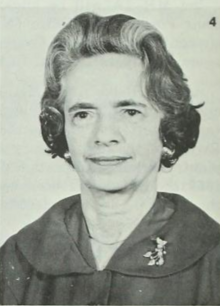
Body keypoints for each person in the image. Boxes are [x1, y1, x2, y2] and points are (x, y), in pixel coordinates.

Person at [0, 12, 220, 305]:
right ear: (60, 129)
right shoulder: (17, 259)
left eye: (130, 112)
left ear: (168, 128)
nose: (104, 135)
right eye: (83, 114)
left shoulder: (212, 260)